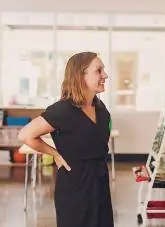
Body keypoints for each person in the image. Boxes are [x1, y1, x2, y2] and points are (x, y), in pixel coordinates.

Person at [18, 52, 114, 227]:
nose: (105, 75)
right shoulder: (62, 110)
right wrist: (54, 153)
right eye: (98, 71)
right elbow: (25, 135)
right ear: (80, 75)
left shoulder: (100, 108)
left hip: (99, 184)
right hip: (75, 189)